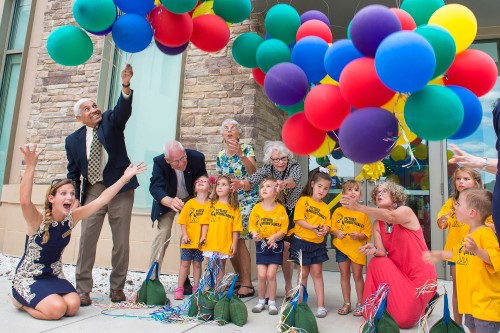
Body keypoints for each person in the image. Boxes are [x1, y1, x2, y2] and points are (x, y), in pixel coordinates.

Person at [11, 144, 145, 320]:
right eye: (63, 193)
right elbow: (24, 202)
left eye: (72, 193)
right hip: (30, 278)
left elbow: (102, 200)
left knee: (73, 306)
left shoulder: (71, 218)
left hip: (53, 276)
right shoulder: (38, 220)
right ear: (52, 198)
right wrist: (30, 166)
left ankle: (44, 300)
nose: (69, 197)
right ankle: (19, 302)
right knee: (57, 310)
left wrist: (124, 179)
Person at [65, 64, 139, 306]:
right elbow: (73, 172)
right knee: (87, 238)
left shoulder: (110, 120)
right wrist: (73, 197)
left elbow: (122, 111)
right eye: (87, 109)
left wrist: (125, 86)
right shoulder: (73, 140)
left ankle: (117, 288)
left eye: (94, 105)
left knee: (121, 240)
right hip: (94, 189)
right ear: (79, 117)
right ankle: (83, 288)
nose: (94, 109)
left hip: (120, 187)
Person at [340, 180, 437, 329]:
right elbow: (382, 252)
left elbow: (391, 217)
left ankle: (424, 302)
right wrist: (374, 249)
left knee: (404, 322)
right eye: (378, 191)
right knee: (376, 262)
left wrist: (357, 207)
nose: (379, 193)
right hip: (401, 276)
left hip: (421, 279)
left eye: (384, 191)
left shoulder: (406, 211)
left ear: (395, 197)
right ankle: (373, 307)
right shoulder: (377, 224)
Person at [231, 140, 303, 295]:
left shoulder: (294, 166)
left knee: (286, 248)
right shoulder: (267, 168)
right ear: (271, 160)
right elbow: (254, 179)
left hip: (290, 209)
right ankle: (269, 284)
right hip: (271, 210)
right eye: (276, 159)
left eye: (283, 158)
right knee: (273, 245)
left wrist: (283, 183)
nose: (280, 162)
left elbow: (293, 181)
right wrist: (242, 183)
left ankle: (288, 285)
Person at [424, 189, 500, 333]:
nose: (455, 207)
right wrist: (439, 254)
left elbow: (495, 259)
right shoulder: (469, 234)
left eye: (458, 205)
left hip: (485, 305)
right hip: (471, 304)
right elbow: (458, 254)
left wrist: (477, 250)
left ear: (472, 213)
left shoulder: (486, 234)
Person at [149, 141, 207, 293]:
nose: (182, 163)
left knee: (190, 236)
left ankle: (185, 280)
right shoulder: (159, 162)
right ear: (167, 161)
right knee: (163, 233)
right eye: (176, 161)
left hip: (190, 200)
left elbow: (203, 180)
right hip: (168, 200)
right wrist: (168, 200)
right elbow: (155, 187)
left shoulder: (197, 158)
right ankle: (152, 280)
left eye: (183, 157)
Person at [437, 167, 489, 324]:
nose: (461, 181)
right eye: (459, 179)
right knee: (458, 289)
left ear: (476, 182)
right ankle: (458, 325)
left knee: (477, 288)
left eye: (466, 179)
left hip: (477, 251)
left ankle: (479, 322)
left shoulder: (483, 202)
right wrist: (444, 219)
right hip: (456, 252)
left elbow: (492, 224)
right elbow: (441, 223)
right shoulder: (451, 202)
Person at [216, 118, 257, 298]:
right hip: (230, 202)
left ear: (239, 133)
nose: (230, 130)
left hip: (247, 199)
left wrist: (241, 154)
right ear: (223, 134)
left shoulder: (247, 149)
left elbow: (254, 172)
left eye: (233, 128)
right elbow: (221, 179)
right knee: (228, 239)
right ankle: (240, 279)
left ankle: (247, 283)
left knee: (238, 238)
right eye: (226, 128)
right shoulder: (220, 156)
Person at [290, 168, 332, 319]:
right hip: (302, 242)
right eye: (320, 186)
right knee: (303, 274)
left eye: (326, 188)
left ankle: (321, 306)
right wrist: (313, 227)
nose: (322, 190)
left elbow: (327, 224)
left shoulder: (325, 208)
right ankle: (300, 303)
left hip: (317, 244)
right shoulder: (303, 200)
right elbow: (299, 220)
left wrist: (324, 230)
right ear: (313, 184)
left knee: (317, 273)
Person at [331, 180, 371, 317]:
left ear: (360, 195)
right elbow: (332, 228)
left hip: (357, 250)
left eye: (356, 190)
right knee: (344, 275)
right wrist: (337, 233)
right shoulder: (338, 211)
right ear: (343, 194)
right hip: (342, 248)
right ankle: (346, 302)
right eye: (349, 189)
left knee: (358, 276)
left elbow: (367, 233)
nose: (353, 192)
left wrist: (359, 235)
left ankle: (360, 303)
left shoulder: (363, 213)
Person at [249, 177, 289, 316]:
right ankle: (261, 301)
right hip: (261, 244)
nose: (264, 189)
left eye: (268, 186)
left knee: (271, 274)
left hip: (275, 245)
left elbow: (284, 228)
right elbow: (252, 225)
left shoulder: (280, 209)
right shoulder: (256, 208)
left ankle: (271, 302)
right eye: (262, 187)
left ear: (276, 191)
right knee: (261, 275)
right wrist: (254, 234)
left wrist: (275, 237)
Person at [174, 175, 211, 300]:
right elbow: (183, 220)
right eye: (198, 181)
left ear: (210, 189)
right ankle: (180, 288)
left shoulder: (211, 205)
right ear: (195, 188)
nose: (200, 182)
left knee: (197, 265)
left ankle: (196, 288)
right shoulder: (189, 203)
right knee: (185, 263)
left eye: (204, 181)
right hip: (188, 240)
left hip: (201, 242)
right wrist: (184, 234)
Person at [200, 175, 242, 279]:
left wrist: (234, 243)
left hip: (224, 242)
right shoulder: (211, 204)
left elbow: (236, 228)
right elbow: (205, 222)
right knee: (210, 266)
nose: (219, 187)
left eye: (223, 185)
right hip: (211, 241)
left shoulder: (234, 208)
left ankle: (217, 291)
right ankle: (206, 289)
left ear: (231, 188)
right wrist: (203, 236)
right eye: (218, 184)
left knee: (221, 266)